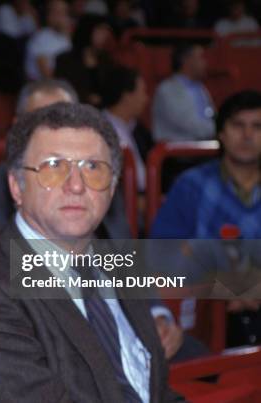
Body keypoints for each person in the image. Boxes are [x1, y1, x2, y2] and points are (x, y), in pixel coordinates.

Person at [0, 103, 179, 402]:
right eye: (54, 167)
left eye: (93, 167)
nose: (75, 185)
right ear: (16, 187)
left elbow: (154, 393)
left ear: (112, 188)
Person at [151, 90, 261, 347]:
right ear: (221, 133)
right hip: (206, 315)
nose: (247, 135)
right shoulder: (191, 186)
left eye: (257, 126)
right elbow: (162, 259)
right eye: (237, 125)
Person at [0, 79, 76, 226]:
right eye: (40, 121)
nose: (53, 132)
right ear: (18, 126)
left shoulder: (98, 178)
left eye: (63, 120)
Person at [101, 65, 152, 192]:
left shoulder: (138, 129)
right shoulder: (102, 131)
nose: (146, 99)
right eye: (143, 92)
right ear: (127, 96)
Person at [152, 44, 215, 142]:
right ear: (186, 60)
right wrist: (221, 130)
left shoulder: (200, 88)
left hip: (201, 147)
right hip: (177, 152)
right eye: (200, 57)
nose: (205, 63)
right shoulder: (168, 89)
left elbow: (211, 116)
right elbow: (189, 124)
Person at [53, 13, 115, 107]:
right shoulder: (65, 60)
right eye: (100, 30)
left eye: (107, 31)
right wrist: (87, 98)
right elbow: (60, 90)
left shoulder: (108, 61)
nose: (105, 35)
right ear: (88, 30)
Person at [24, 0, 72, 81]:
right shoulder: (40, 38)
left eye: (64, 12)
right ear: (49, 15)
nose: (61, 17)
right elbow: (47, 75)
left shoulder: (65, 38)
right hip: (40, 87)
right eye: (57, 12)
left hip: (61, 85)